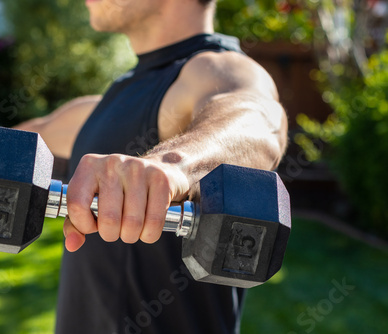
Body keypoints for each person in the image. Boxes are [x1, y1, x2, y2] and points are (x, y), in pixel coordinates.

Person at [16, 0, 288, 333]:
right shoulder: (114, 98)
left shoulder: (217, 68)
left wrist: (172, 166)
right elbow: (34, 135)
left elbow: (255, 119)